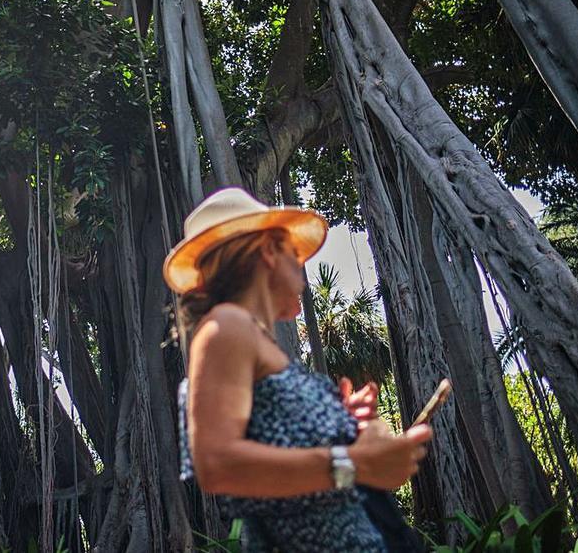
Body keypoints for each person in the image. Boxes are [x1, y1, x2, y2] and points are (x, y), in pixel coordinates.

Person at [165, 187, 432, 552]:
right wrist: (352, 463)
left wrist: (343, 426)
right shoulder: (226, 326)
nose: (302, 267)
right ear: (270, 250)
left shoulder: (256, 342)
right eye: (295, 253)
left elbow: (279, 446)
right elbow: (216, 463)